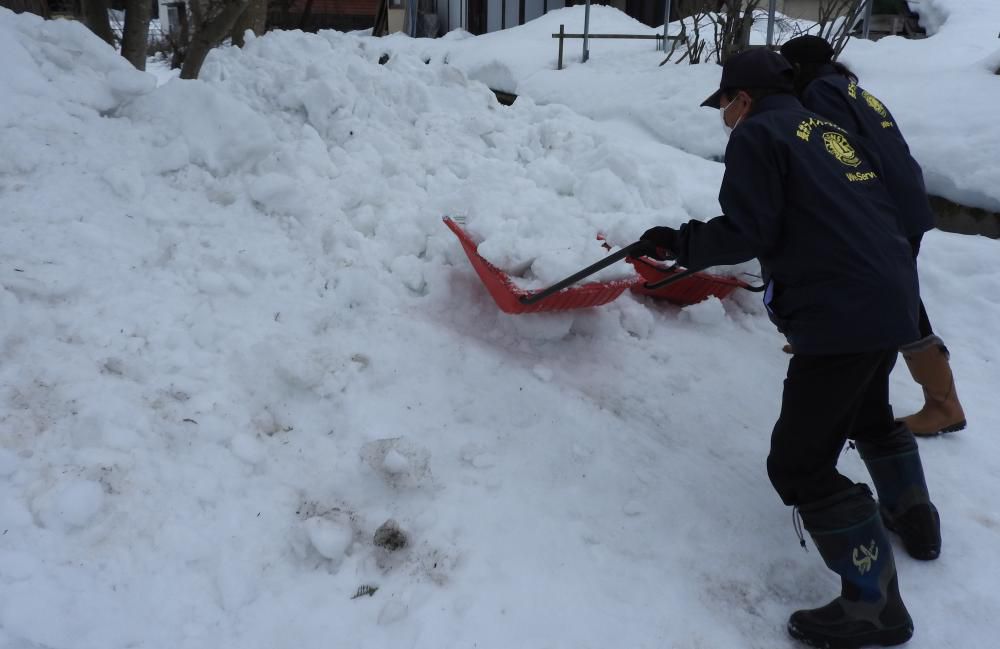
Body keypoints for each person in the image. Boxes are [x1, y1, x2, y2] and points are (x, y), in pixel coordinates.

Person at [636, 48, 940, 648]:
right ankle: (913, 516)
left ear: (741, 99)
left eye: (723, 103)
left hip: (842, 311)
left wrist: (681, 242)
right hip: (892, 294)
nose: (722, 116)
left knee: (797, 464)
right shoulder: (826, 129)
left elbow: (750, 228)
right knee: (868, 409)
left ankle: (874, 607)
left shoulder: (757, 136)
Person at [779, 34, 966, 438]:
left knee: (895, 301)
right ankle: (824, 345)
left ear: (796, 69)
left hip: (886, 210)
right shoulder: (849, 88)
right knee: (877, 289)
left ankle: (944, 404)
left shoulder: (820, 96)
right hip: (903, 202)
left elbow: (837, 155)